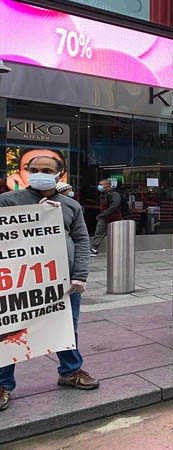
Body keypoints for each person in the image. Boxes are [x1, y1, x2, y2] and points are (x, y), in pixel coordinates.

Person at [0, 155, 99, 412]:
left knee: (66, 327)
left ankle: (70, 371)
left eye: (46, 169)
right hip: (18, 283)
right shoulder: (8, 202)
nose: (39, 173)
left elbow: (82, 242)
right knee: (10, 330)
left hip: (62, 282)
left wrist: (80, 276)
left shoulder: (70, 206)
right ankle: (3, 384)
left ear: (59, 173)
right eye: (33, 169)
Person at [89, 179, 123, 256]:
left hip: (114, 218)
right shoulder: (103, 194)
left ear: (107, 185)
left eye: (101, 185)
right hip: (105, 217)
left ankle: (119, 249)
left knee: (116, 234)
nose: (99, 186)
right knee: (99, 232)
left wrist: (103, 214)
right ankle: (94, 249)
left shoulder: (114, 195)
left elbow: (114, 206)